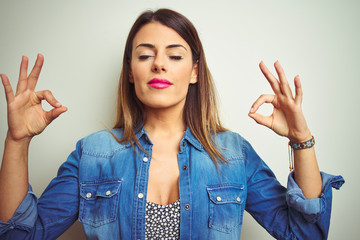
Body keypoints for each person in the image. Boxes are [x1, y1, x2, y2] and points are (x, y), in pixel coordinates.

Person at [0, 8, 344, 240]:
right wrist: (17, 142)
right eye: (145, 55)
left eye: (175, 55)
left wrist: (302, 139)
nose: (159, 65)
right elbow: (21, 234)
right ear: (131, 72)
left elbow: (305, 234)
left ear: (194, 71)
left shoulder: (233, 154)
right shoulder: (93, 153)